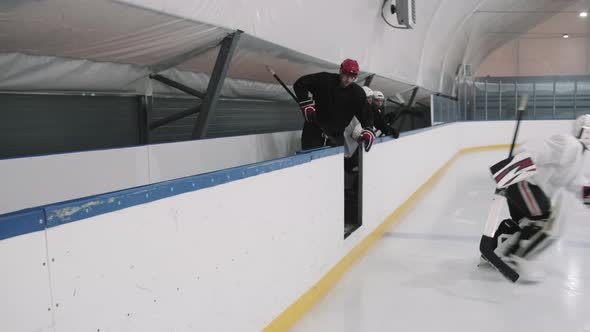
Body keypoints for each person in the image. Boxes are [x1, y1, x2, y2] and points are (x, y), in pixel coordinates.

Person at [479, 114, 590, 282]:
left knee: (524, 222)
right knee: (545, 221)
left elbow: (575, 182)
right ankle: (519, 258)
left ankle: (493, 252)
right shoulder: (569, 144)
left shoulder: (578, 154)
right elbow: (536, 148)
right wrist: (512, 168)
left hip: (526, 187)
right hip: (525, 184)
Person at [293, 59, 375, 151]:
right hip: (314, 131)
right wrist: (306, 103)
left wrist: (368, 129)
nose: (348, 79)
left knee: (334, 164)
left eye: (352, 77)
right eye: (346, 75)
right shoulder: (324, 80)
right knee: (310, 162)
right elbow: (300, 84)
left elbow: (366, 114)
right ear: (340, 70)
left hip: (336, 136)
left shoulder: (358, 93)